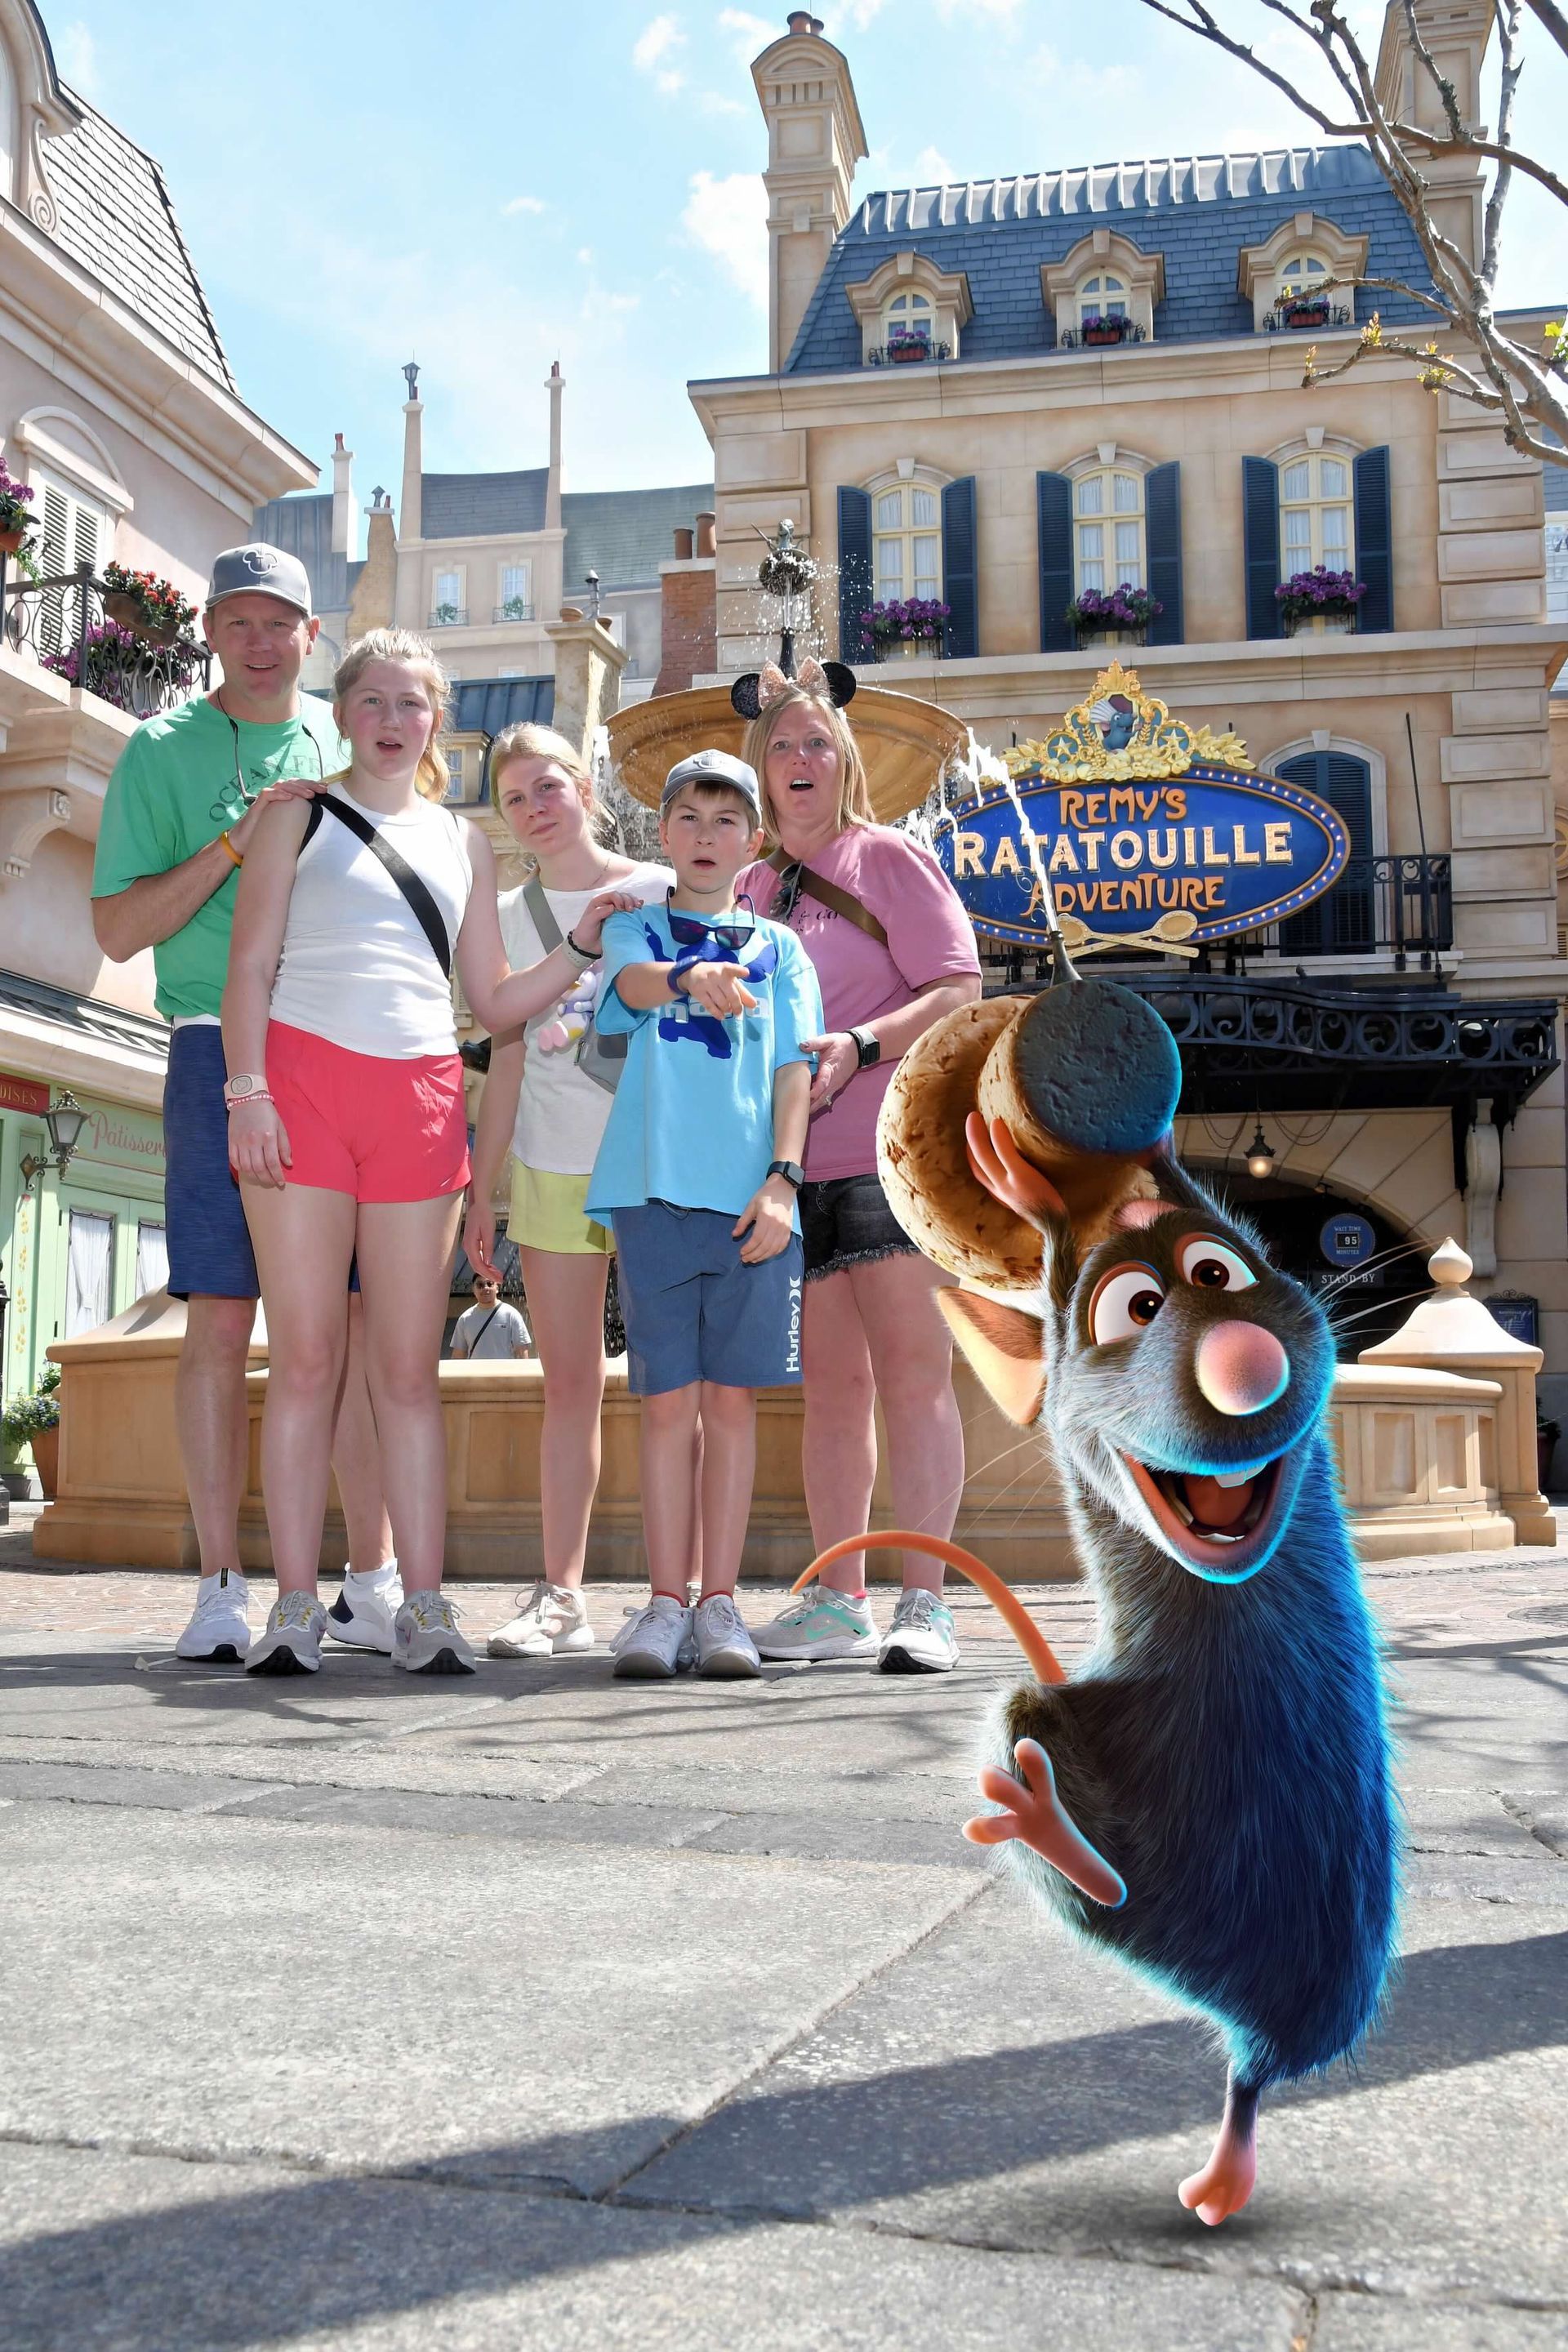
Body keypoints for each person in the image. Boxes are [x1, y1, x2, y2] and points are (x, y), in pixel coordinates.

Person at [220, 628, 637, 1676]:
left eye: (413, 704)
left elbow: (492, 1003)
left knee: (409, 1370)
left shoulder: (466, 842)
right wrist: (248, 1094)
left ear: (436, 719)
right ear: (343, 709)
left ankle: (426, 1605)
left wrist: (581, 948)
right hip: (303, 1088)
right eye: (373, 701)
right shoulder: (297, 817)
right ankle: (297, 1606)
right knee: (309, 1359)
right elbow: (250, 968)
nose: (394, 721)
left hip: (418, 1098)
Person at [91, 544, 401, 1664]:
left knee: (358, 1328)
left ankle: (370, 1582)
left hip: (344, 1048)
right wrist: (239, 839)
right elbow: (120, 932)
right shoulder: (160, 750)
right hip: (213, 1047)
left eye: (283, 624)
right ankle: (222, 1583)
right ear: (211, 634)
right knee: (222, 1317)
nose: (263, 644)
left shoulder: (350, 730)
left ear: (311, 637)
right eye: (241, 624)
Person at [736, 678, 982, 1673]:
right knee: (833, 1393)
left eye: (818, 743)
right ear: (761, 767)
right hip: (793, 1173)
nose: (801, 758)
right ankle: (839, 1603)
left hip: (888, 1156)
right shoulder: (748, 886)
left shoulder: (886, 858)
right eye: (783, 744)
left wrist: (861, 1042)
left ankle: (924, 1604)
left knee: (916, 1381)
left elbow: (959, 988)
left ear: (844, 762)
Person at [585, 750, 822, 1682]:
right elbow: (632, 993)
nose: (707, 835)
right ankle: (660, 1604)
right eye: (689, 816)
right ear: (663, 833)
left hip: (753, 1209)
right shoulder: (635, 931)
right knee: (663, 1410)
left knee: (731, 1409)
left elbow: (793, 1072)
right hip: (651, 1196)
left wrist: (784, 1181)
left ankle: (718, 1602)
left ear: (754, 842)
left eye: (728, 820)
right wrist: (687, 977)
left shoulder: (784, 949)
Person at [463, 723, 667, 1660]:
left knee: (678, 1386)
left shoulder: (663, 887)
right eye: (515, 799)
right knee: (569, 1386)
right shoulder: (506, 914)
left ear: (584, 787)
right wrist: (482, 1193)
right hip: (549, 1165)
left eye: (547, 788)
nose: (534, 809)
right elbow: (502, 1061)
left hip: (660, 1162)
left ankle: (685, 1596)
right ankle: (562, 1596)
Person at [449, 1272, 530, 1361]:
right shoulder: (465, 1319)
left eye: (490, 1284)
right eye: (480, 1285)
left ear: (497, 1288)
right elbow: (458, 1356)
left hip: (504, 1373)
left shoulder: (511, 1315)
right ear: (474, 1289)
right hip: (475, 1374)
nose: (485, 1288)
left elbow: (522, 1352)